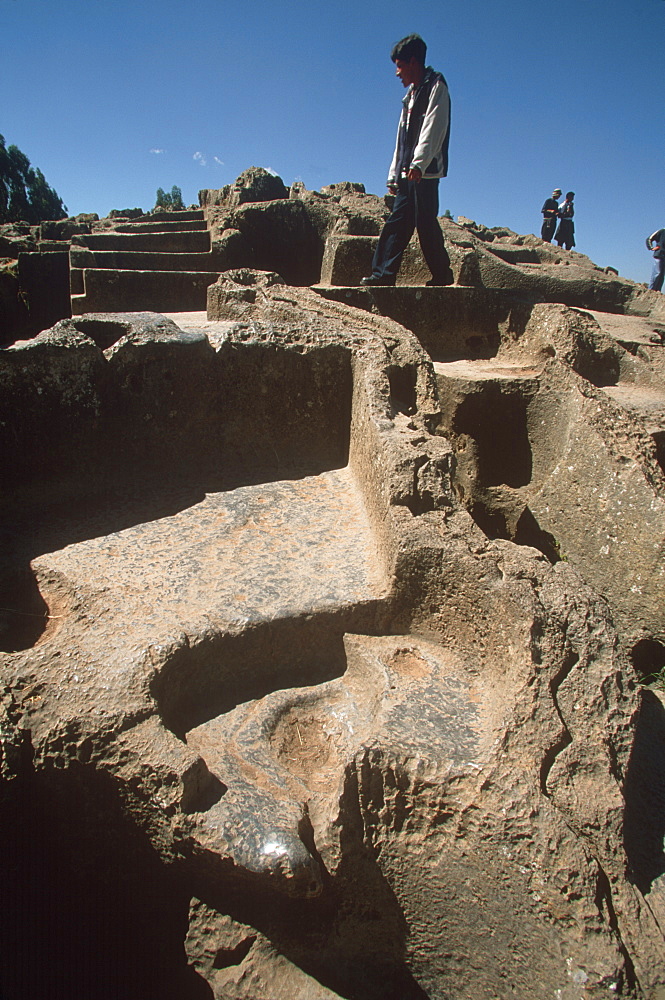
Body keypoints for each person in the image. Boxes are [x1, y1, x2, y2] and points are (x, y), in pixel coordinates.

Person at [361, 34, 453, 287]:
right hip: (407, 171)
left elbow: (434, 127)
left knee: (425, 223)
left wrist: (419, 164)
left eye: (400, 66)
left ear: (413, 62)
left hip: (424, 171)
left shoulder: (436, 86)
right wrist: (394, 173)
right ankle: (383, 274)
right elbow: (401, 139)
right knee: (398, 221)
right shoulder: (410, 97)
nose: (397, 73)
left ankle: (442, 274)